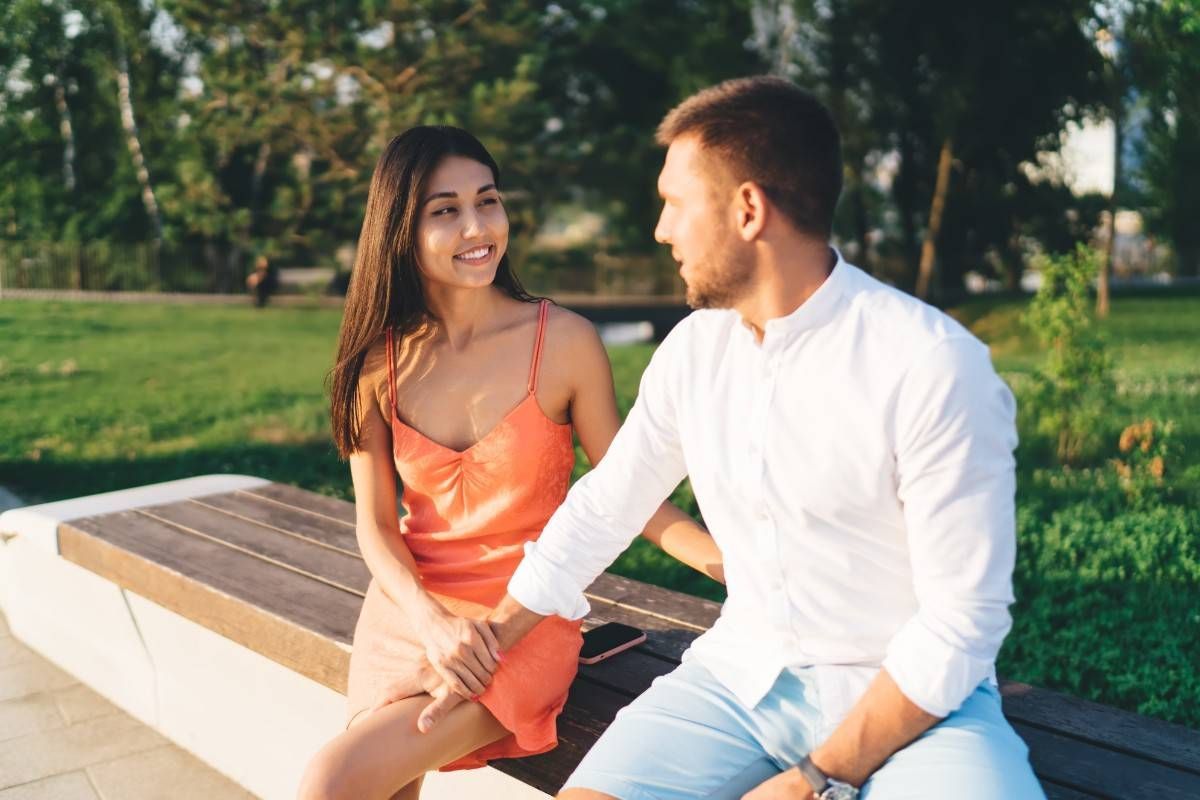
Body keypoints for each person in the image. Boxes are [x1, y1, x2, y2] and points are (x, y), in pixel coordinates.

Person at [419, 77, 1046, 799]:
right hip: (738, 682)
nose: (662, 230)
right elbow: (607, 506)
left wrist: (812, 779)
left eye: (676, 204)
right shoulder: (695, 352)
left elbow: (961, 624)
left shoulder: (930, 364)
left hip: (914, 704)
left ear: (748, 210)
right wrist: (490, 641)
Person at [297, 126, 722, 800]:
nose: (477, 226)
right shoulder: (372, 363)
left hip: (522, 618)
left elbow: (629, 493)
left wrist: (732, 564)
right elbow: (376, 526)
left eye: (487, 201)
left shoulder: (565, 343)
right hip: (410, 611)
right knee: (379, 783)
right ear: (399, 230)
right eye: (445, 210)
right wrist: (429, 621)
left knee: (333, 780)